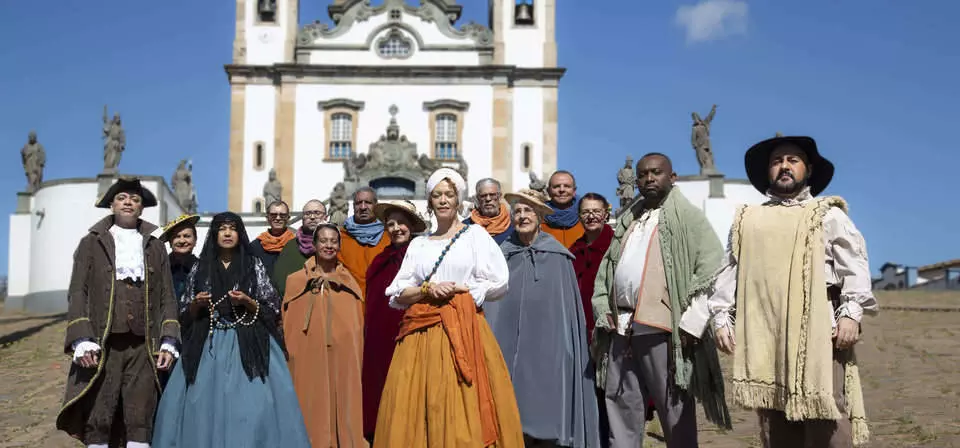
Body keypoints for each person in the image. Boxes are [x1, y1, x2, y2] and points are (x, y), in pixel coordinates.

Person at [680, 136, 877, 448]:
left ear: (808, 169)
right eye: (777, 161)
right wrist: (720, 318)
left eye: (792, 160)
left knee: (825, 414)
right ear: (769, 171)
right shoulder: (748, 220)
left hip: (819, 332)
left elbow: (854, 266)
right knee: (774, 416)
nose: (784, 166)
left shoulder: (827, 214)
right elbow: (729, 270)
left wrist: (851, 313)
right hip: (765, 331)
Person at [373, 167, 524, 447]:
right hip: (421, 336)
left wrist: (462, 292)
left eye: (449, 194)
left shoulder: (475, 236)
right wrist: (428, 289)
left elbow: (499, 281)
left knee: (461, 399)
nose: (443, 200)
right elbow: (397, 292)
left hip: (464, 328)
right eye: (437, 195)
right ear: (429, 202)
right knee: (419, 405)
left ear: (458, 200)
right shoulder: (419, 244)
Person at [592, 153, 731, 448]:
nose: (649, 178)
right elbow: (607, 271)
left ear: (673, 177)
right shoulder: (629, 220)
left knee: (674, 412)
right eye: (643, 174)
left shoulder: (688, 217)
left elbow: (713, 269)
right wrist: (603, 306)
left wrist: (693, 321)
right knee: (621, 409)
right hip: (621, 328)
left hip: (665, 329)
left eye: (656, 172)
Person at [152, 212, 310, 448]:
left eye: (232, 228)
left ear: (240, 233)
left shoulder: (252, 264)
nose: (227, 233)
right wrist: (197, 304)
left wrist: (247, 301)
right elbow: (185, 311)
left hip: (248, 342)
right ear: (214, 234)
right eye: (222, 229)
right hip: (208, 343)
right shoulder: (202, 267)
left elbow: (272, 306)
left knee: (254, 406)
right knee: (203, 403)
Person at [57, 177, 180, 448]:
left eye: (135, 199)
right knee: (99, 412)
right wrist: (81, 337)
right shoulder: (91, 243)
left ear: (141, 209)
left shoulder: (155, 245)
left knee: (141, 414)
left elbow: (167, 297)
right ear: (111, 204)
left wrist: (169, 339)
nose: (128, 202)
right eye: (122, 198)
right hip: (104, 342)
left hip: (144, 345)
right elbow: (78, 292)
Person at [484, 188, 601, 447]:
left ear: (539, 217)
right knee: (511, 411)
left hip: (549, 350)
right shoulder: (499, 257)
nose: (522, 216)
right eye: (518, 211)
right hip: (508, 348)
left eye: (528, 211)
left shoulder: (558, 257)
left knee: (547, 410)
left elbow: (567, 311)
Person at [282, 223, 365, 447]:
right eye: (324, 240)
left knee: (343, 396)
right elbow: (289, 325)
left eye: (333, 241)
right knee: (309, 397)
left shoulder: (349, 282)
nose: (329, 245)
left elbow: (355, 327)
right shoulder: (296, 281)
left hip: (342, 357)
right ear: (314, 245)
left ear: (339, 245)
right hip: (308, 356)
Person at [362, 200, 427, 441]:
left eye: (401, 222)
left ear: (411, 225)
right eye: (391, 224)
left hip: (413, 334)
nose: (396, 228)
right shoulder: (380, 260)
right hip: (380, 340)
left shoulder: (423, 255)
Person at [339, 186, 390, 298]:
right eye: (358, 203)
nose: (363, 207)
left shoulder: (389, 236)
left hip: (380, 300)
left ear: (376, 205)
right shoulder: (340, 236)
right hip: (350, 301)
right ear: (353, 206)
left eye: (368, 202)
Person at [272, 199, 328, 296]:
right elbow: (279, 282)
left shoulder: (334, 246)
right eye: (308, 213)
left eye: (317, 213)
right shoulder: (290, 247)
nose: (312, 217)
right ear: (302, 218)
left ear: (326, 217)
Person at [159, 214, 201, 301]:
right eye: (177, 237)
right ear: (170, 242)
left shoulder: (204, 268)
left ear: (195, 240)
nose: (182, 241)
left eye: (187, 236)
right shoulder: (160, 267)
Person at [249, 200, 295, 276]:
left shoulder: (296, 244)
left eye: (282, 215)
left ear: (288, 218)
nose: (278, 218)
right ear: (267, 218)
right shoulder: (256, 246)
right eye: (273, 215)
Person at [540, 170, 584, 247]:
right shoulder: (538, 218)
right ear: (548, 191)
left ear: (574, 191)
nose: (562, 190)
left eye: (567, 186)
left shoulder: (586, 218)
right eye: (556, 186)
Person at [464, 178, 514, 243]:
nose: (488, 199)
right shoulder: (465, 227)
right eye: (483, 196)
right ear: (477, 198)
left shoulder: (513, 225)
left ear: (500, 196)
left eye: (492, 195)